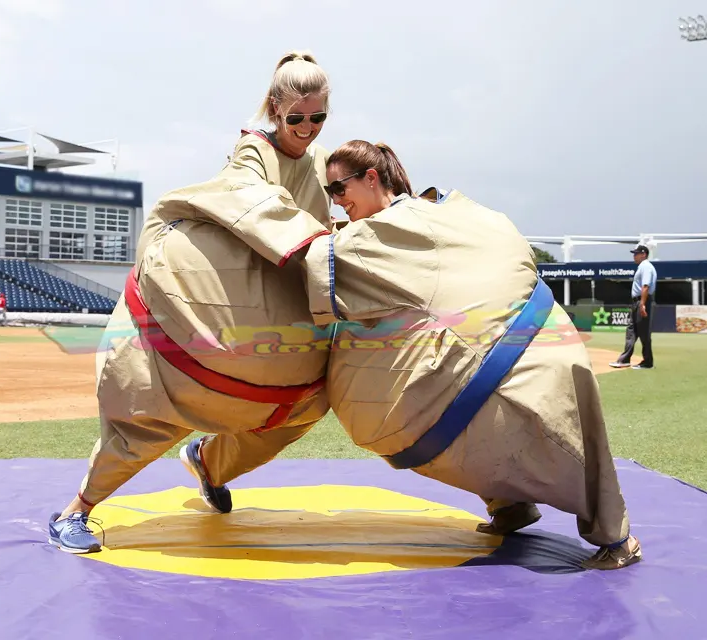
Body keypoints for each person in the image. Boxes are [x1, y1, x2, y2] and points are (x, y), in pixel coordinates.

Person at [298, 139, 641, 570]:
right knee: (464, 415)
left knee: (532, 431)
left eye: (339, 188)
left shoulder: (401, 225)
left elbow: (319, 258)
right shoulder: (425, 215)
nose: (337, 201)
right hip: (510, 348)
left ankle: (617, 538)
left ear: (371, 178)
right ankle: (510, 506)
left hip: (521, 356)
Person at [48, 50, 334, 554]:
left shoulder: (312, 161)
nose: (307, 127)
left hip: (263, 316)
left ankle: (208, 463)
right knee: (149, 414)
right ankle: (76, 511)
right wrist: (314, 242)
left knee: (300, 409)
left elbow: (318, 224)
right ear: (273, 109)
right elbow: (252, 205)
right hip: (202, 309)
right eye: (296, 118)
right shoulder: (253, 153)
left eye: (318, 117)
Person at [609, 244, 657, 370]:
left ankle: (648, 362)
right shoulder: (642, 267)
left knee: (644, 332)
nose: (634, 256)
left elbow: (645, 286)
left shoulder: (646, 267)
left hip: (642, 301)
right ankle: (624, 359)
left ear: (644, 254)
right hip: (637, 302)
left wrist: (642, 304)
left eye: (636, 253)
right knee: (631, 330)